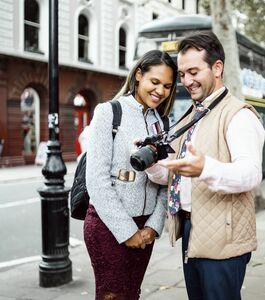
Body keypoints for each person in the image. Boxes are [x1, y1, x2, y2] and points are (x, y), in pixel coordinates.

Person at [145, 31, 265, 300]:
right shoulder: (192, 114)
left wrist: (205, 169)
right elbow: (173, 173)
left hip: (224, 237)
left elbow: (250, 174)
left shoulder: (239, 115)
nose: (186, 81)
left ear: (217, 67)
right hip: (192, 229)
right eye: (183, 73)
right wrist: (151, 163)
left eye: (194, 72)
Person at [83, 49, 177, 300]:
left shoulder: (164, 124)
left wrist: (153, 228)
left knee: (131, 294)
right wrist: (127, 232)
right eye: (154, 82)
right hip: (107, 226)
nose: (160, 91)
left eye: (167, 86)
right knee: (112, 295)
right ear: (138, 75)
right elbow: (97, 181)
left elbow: (167, 181)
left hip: (145, 227)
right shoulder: (109, 112)